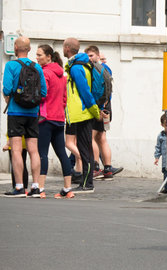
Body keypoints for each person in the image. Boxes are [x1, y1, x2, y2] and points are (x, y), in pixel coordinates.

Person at [3, 36, 47, 197]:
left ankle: (20, 186)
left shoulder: (11, 65)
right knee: (33, 150)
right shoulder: (37, 67)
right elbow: (43, 92)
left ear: (15, 48)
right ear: (29, 49)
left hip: (15, 112)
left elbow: (7, 89)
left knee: (16, 150)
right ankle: (36, 187)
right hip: (33, 113)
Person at [36, 44, 75, 199]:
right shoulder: (62, 75)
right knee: (62, 154)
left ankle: (40, 188)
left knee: (42, 154)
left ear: (49, 57)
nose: (37, 58)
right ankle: (67, 189)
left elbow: (42, 95)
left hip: (45, 118)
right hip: (59, 118)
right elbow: (65, 99)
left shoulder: (45, 73)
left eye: (39, 55)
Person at [63, 37, 100, 193]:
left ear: (68, 48)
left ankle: (87, 184)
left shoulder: (76, 68)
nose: (63, 49)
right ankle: (86, 182)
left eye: (64, 46)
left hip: (83, 113)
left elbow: (84, 91)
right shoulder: (79, 65)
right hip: (81, 113)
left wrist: (94, 110)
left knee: (85, 150)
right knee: (84, 148)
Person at [84, 45, 124, 180]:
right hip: (107, 106)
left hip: (98, 107)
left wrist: (97, 107)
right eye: (87, 56)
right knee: (102, 138)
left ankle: (95, 168)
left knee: (91, 137)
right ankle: (108, 169)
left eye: (91, 55)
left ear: (97, 55)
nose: (89, 58)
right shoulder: (106, 69)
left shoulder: (92, 69)